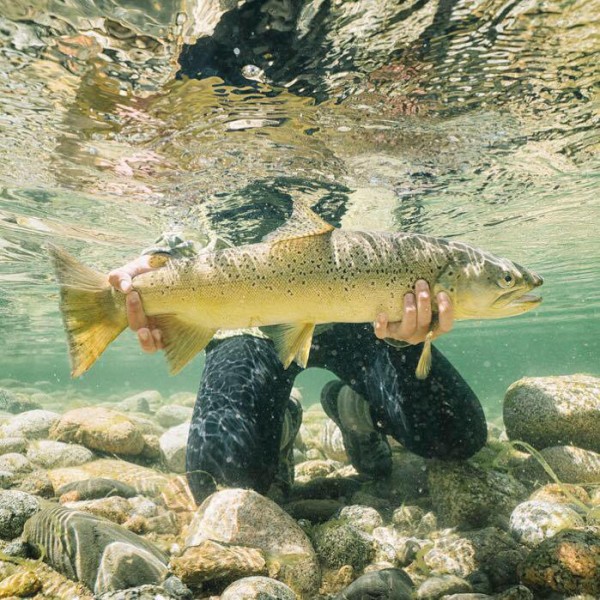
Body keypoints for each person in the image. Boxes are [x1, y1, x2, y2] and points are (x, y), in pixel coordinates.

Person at [108, 241, 487, 502]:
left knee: (457, 435)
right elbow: (184, 222)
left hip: (364, 321)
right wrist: (154, 265)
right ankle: (279, 422)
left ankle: (358, 409)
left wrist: (407, 338)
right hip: (250, 323)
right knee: (217, 481)